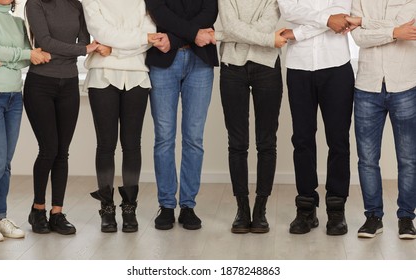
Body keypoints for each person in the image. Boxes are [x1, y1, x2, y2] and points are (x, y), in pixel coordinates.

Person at [277, 0, 354, 235]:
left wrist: (298, 33)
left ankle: (336, 209)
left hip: (337, 66)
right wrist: (326, 20)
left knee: (338, 140)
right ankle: (306, 208)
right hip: (299, 68)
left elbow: (341, 17)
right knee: (302, 140)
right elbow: (290, 10)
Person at [82, 0, 157, 233]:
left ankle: (129, 208)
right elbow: (101, 32)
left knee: (132, 145)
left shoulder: (144, 1)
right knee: (106, 145)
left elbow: (150, 35)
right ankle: (106, 209)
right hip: (102, 75)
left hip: (137, 76)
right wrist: (138, 38)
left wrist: (114, 49)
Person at [24, 0, 97, 235]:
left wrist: (80, 48)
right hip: (40, 84)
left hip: (69, 84)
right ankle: (38, 209)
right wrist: (82, 50)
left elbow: (85, 38)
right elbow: (44, 42)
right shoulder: (35, 4)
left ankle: (57, 212)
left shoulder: (76, 5)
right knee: (49, 149)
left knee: (62, 151)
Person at [144, 0, 218, 230]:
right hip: (163, 62)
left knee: (194, 138)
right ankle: (166, 205)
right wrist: (193, 34)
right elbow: (159, 13)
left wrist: (175, 39)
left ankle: (188, 206)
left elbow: (210, 11)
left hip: (200, 61)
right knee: (164, 137)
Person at [214, 0, 286, 234]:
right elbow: (233, 26)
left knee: (267, 142)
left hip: (267, 66)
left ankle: (260, 209)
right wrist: (229, 32)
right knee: (237, 143)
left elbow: (263, 26)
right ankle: (242, 209)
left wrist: (222, 34)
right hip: (232, 67)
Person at [348, 0, 416, 239]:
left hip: (406, 84)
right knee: (367, 159)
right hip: (367, 85)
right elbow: (359, 38)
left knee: (408, 159)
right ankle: (373, 217)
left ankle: (406, 218)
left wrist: (367, 24)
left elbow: (411, 31)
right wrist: (394, 31)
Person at [0, 0, 49, 242]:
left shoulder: (17, 22)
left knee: (5, 163)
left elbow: (28, 60)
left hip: (14, 97)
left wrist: (3, 61)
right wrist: (22, 55)